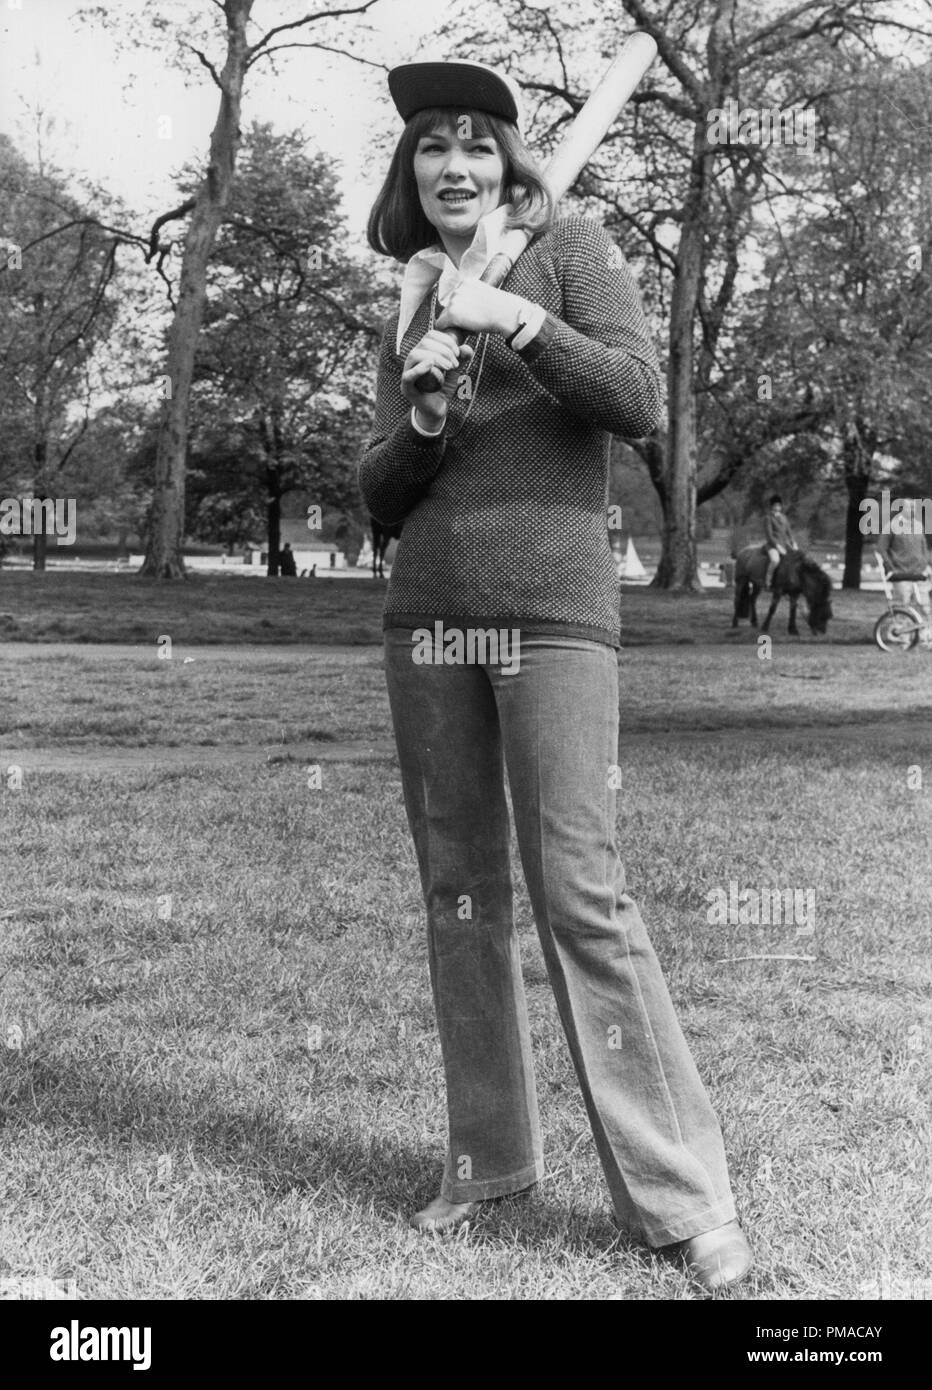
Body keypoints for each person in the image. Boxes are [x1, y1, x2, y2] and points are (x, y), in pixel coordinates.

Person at [358, 58, 753, 1291]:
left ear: (508, 162)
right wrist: (421, 417)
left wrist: (518, 324)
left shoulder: (567, 245)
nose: (455, 166)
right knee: (460, 896)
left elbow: (636, 398)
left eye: (476, 144)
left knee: (581, 892)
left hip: (554, 617)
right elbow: (377, 502)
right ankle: (488, 1159)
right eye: (433, 148)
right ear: (410, 174)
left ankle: (680, 1200)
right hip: (429, 621)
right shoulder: (415, 292)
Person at [876, 494, 932, 644]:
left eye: (914, 507)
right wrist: (889, 567)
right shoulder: (891, 527)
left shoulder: (919, 526)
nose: (913, 509)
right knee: (903, 606)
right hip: (901, 573)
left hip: (919, 574)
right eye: (910, 507)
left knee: (925, 606)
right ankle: (900, 636)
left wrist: (927, 565)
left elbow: (924, 549)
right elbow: (881, 549)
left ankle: (925, 637)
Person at [764, 495, 797, 591]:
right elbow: (769, 535)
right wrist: (777, 546)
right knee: (775, 560)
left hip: (785, 544)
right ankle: (768, 582)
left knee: (797, 559)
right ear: (772, 506)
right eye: (775, 505)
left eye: (779, 505)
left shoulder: (784, 517)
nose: (778, 507)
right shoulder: (768, 518)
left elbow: (789, 532)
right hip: (772, 545)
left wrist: (794, 543)